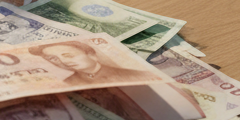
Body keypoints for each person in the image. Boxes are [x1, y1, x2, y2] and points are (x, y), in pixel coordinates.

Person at [27, 39, 157, 87]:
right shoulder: (67, 84)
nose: (64, 61)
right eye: (54, 59)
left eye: (68, 55)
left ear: (91, 55)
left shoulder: (136, 76)